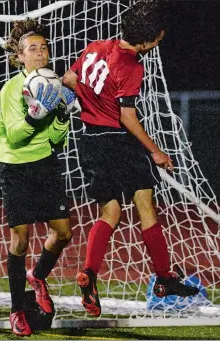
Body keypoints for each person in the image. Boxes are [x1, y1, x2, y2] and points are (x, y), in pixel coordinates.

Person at [63, 0, 199, 317]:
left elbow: (69, 79)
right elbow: (127, 116)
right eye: (158, 39)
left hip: (90, 140)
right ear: (148, 39)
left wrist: (87, 97)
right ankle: (164, 278)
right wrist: (155, 150)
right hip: (119, 142)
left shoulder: (95, 46)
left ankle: (89, 274)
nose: (158, 43)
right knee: (146, 207)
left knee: (109, 213)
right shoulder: (133, 65)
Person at [0, 18, 75, 336]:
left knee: (63, 234)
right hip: (15, 167)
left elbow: (56, 139)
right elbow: (15, 136)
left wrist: (63, 117)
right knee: (21, 240)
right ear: (20, 57)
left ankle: (38, 276)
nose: (40, 53)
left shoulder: (52, 83)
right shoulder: (12, 89)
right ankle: (17, 311)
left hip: (45, 164)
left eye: (44, 48)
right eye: (33, 49)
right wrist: (34, 114)